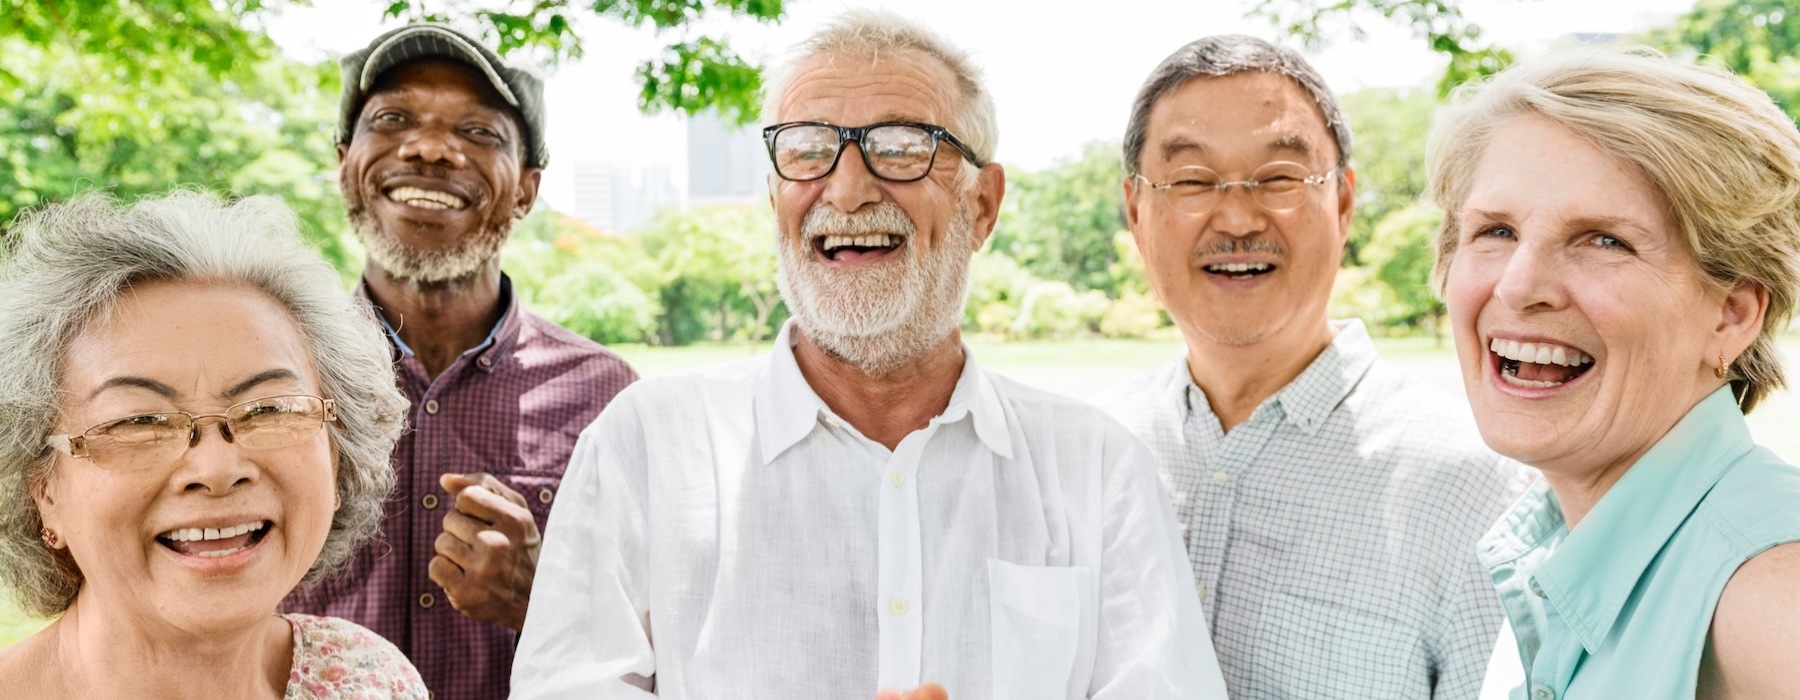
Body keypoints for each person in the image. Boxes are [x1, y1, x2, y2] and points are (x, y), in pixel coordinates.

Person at [511, 10, 1226, 699]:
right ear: (775, 196)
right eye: (807, 150)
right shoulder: (647, 445)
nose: (848, 190)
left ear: (983, 205)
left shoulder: (1097, 469)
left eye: (903, 147)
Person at [1091, 35, 1532, 698]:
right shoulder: (1095, 450)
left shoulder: (1474, 485)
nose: (1237, 219)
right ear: (1135, 211)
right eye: (1192, 182)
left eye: (1278, 178)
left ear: (1344, 203)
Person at [279, 22, 638, 700]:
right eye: (393, 119)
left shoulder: (608, 397)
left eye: (478, 132)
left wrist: (543, 598)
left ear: (526, 189)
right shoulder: (269, 375)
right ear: (343, 163)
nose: (430, 148)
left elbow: (661, 640)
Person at [1427, 47, 1800, 697]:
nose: (1519, 286)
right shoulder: (1551, 546)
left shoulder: (1769, 593)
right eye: (1496, 231)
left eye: (1605, 240)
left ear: (1732, 314)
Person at [0, 192, 421, 698]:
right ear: (44, 490)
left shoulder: (370, 678)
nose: (217, 469)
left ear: (337, 454)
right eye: (139, 422)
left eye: (269, 409)